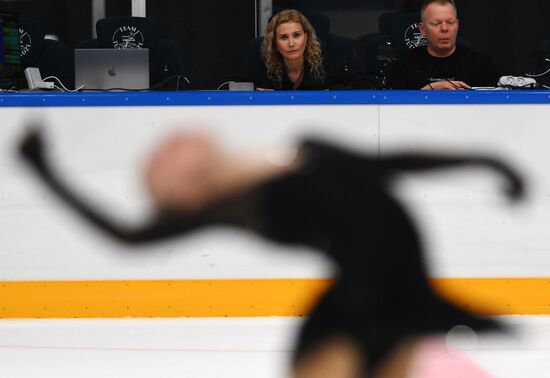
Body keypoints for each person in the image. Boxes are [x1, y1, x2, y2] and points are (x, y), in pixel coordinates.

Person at [19, 128, 524, 377]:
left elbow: (391, 163)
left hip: (390, 286)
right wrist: (45, 172)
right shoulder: (232, 205)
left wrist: (484, 159)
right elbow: (128, 238)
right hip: (361, 288)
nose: (171, 150)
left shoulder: (301, 156)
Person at [388, 0, 501, 90]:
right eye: (436, 23)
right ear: (422, 29)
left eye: (450, 22)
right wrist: (426, 92)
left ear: (457, 25)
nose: (444, 28)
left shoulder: (481, 66)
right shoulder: (404, 65)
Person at [244, 9, 326, 90]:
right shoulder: (260, 59)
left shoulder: (325, 59)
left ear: (306, 37)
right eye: (284, 37)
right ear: (275, 42)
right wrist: (255, 91)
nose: (291, 44)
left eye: (296, 35)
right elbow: (237, 87)